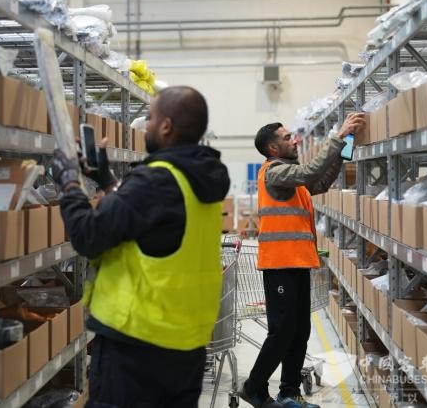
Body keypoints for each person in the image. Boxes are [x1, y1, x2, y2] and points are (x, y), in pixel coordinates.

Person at [50, 86, 231, 408]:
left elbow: (87, 235)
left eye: (150, 117)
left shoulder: (156, 180)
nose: (146, 125)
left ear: (166, 126)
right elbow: (155, 223)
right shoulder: (198, 179)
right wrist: (107, 180)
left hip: (136, 352)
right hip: (185, 349)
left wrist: (69, 183)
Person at [241, 113, 365, 408]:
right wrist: (337, 135)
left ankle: (289, 392)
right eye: (287, 138)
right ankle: (254, 387)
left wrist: (346, 144)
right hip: (280, 264)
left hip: (297, 262)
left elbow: (320, 181)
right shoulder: (274, 173)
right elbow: (310, 172)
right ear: (273, 148)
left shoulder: (292, 177)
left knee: (299, 331)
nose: (294, 140)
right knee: (282, 331)